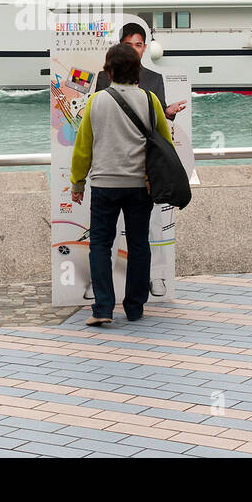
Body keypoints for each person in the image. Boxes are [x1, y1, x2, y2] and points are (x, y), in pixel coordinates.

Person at [71, 43, 174, 326]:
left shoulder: (96, 101)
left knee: (101, 246)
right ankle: (135, 307)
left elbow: (83, 148)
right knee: (140, 244)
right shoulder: (151, 100)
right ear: (138, 70)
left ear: (109, 71)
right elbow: (165, 142)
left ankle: (103, 307)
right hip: (141, 185)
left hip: (105, 185)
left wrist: (77, 183)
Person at [94, 22, 187, 121]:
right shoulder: (104, 76)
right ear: (120, 47)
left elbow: (160, 116)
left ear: (144, 48)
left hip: (143, 136)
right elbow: (97, 112)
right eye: (128, 45)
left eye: (138, 45)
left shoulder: (155, 78)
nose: (133, 50)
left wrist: (168, 113)